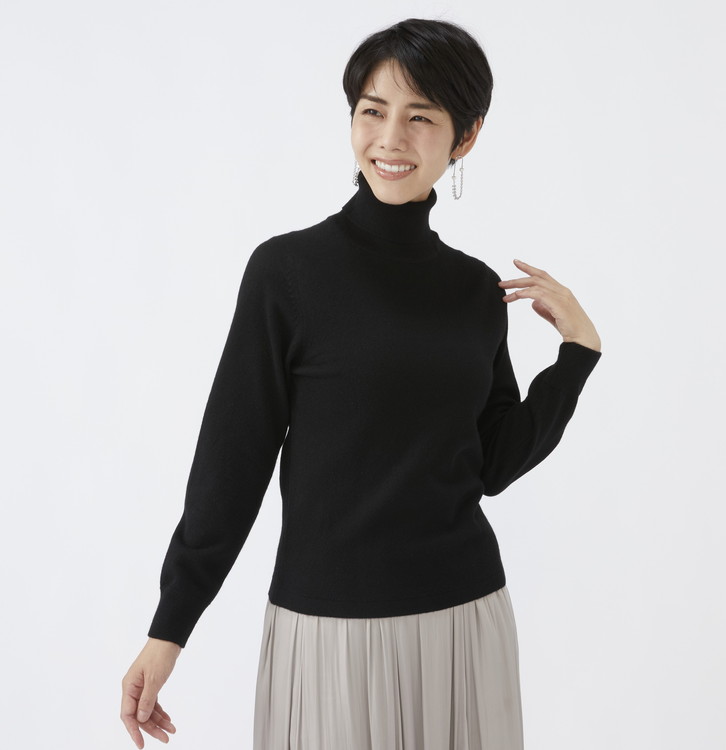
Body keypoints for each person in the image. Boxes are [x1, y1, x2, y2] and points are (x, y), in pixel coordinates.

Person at [120, 17, 602, 750]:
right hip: (325, 630)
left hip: (463, 619)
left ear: (466, 136)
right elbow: (231, 463)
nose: (390, 138)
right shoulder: (286, 274)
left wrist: (576, 358)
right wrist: (169, 629)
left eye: (421, 117)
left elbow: (493, 463)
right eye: (373, 111)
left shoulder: (474, 290)